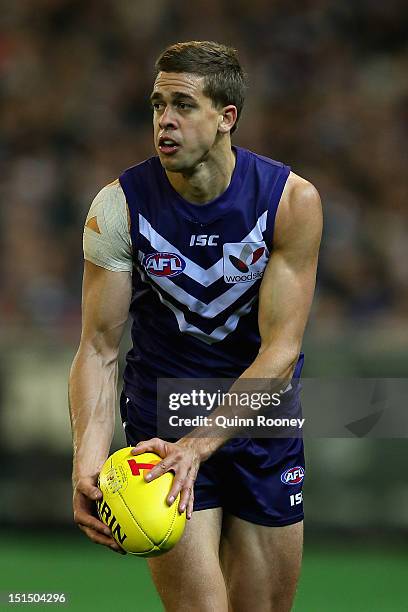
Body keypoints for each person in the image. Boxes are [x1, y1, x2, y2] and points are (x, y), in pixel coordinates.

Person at [69, 41, 322, 612]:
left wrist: (200, 446)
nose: (165, 119)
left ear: (225, 118)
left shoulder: (291, 201)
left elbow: (280, 354)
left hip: (262, 421)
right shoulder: (117, 209)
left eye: (183, 104)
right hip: (163, 421)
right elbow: (99, 349)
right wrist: (86, 461)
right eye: (158, 104)